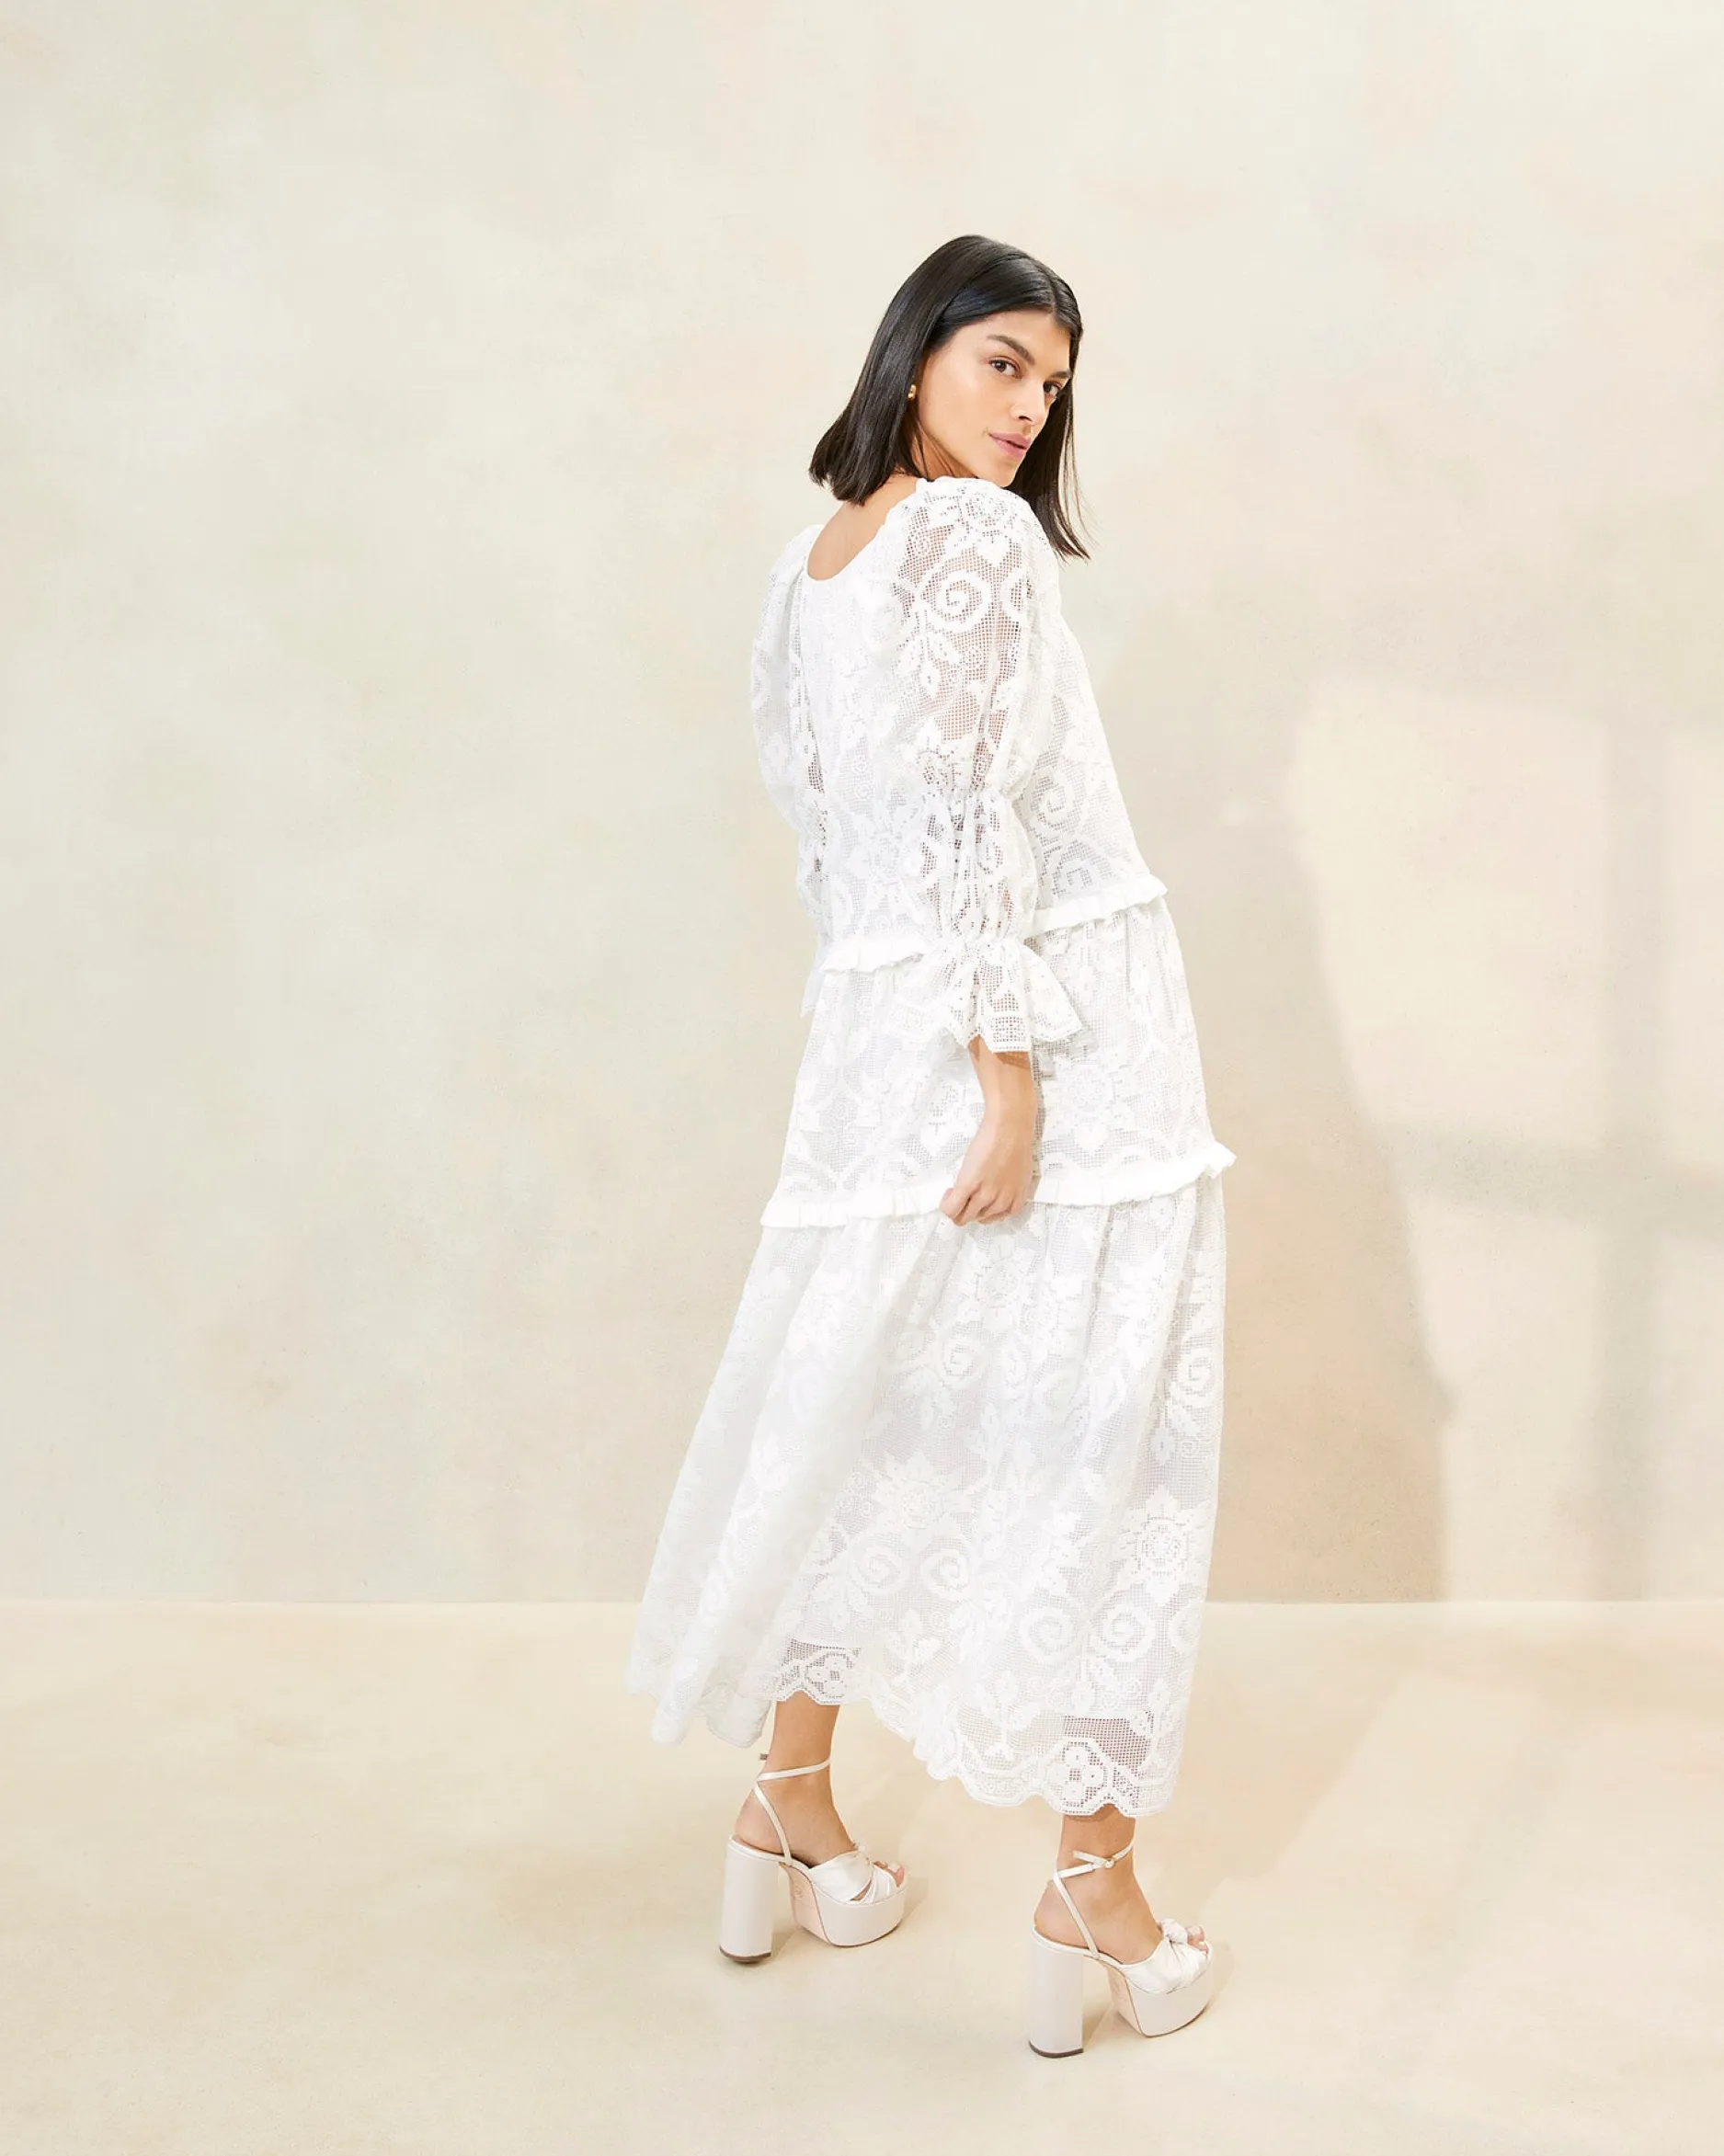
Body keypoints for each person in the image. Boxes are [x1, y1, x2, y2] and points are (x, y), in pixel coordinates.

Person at [625, 234, 1234, 2055]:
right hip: (1047, 1025)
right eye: (1001, 362)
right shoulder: (970, 536)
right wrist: (1010, 1078)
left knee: (866, 1406)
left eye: (1052, 381)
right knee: (1108, 1431)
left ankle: (788, 1812)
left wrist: (910, 1030)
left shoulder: (816, 561)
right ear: (913, 354)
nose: (1030, 405)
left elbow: (837, 831)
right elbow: (966, 811)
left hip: (879, 1032)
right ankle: (1095, 1895)